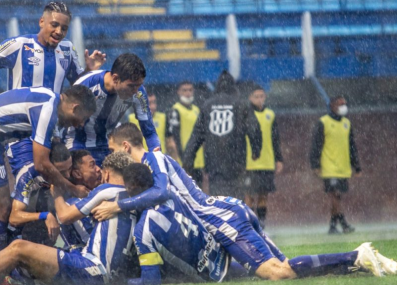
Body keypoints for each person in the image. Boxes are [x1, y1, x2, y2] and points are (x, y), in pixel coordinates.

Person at [92, 123, 391, 280]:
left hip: (220, 219)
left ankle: (355, 256)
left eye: (114, 149)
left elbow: (161, 193)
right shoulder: (154, 157)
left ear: (126, 146)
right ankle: (359, 263)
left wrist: (116, 205)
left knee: (276, 273)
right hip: (227, 210)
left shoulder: (152, 159)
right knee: (285, 268)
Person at [0, 152, 139, 285]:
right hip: (93, 268)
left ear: (109, 174)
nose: (99, 172)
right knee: (23, 263)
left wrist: (56, 189)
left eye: (100, 167)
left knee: (19, 249)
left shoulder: (109, 191)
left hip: (92, 270)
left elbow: (64, 214)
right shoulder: (131, 199)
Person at [0, 85, 96, 261]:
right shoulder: (48, 108)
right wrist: (73, 189)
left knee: (1, 208)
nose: (80, 124)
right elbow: (42, 164)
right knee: (1, 208)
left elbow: (56, 154)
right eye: (83, 118)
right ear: (76, 107)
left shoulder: (50, 104)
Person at [123, 163, 241, 285]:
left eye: (125, 189)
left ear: (131, 187)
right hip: (222, 257)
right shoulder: (171, 190)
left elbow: (151, 281)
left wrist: (122, 282)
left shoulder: (143, 230)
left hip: (208, 278)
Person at [0, 2, 106, 93]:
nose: (59, 31)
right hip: (18, 126)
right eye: (54, 25)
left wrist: (89, 70)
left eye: (64, 28)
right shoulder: (19, 44)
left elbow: (78, 87)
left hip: (50, 128)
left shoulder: (67, 49)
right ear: (41, 22)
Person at [63, 53, 160, 166]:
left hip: (108, 147)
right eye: (131, 86)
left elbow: (149, 132)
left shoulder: (139, 93)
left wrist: (157, 158)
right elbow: (62, 120)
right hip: (77, 144)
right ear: (115, 78)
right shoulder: (86, 85)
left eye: (139, 85)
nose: (135, 90)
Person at [183, 71, 262, 198]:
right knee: (236, 198)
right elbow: (254, 129)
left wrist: (188, 159)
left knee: (217, 198)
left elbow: (196, 136)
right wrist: (256, 150)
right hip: (236, 160)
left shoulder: (207, 105)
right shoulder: (241, 105)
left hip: (214, 161)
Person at [310, 96, 362, 234]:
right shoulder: (323, 122)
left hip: (343, 167)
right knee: (335, 195)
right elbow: (316, 145)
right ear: (332, 105)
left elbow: (352, 146)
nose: (343, 106)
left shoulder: (347, 123)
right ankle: (344, 223)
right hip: (329, 167)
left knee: (337, 196)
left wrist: (356, 165)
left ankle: (332, 226)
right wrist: (315, 164)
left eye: (345, 103)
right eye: (340, 104)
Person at [7, 140, 72, 245]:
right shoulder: (28, 175)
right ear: (48, 167)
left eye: (70, 168)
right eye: (61, 172)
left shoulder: (66, 163)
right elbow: (14, 218)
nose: (68, 176)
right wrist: (45, 216)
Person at [243, 84, 283, 228]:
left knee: (263, 194)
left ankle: (261, 224)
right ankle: (248, 223)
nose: (260, 99)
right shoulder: (245, 114)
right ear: (250, 98)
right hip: (249, 162)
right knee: (248, 194)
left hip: (266, 161)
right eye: (256, 96)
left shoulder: (270, 114)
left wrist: (279, 159)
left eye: (262, 96)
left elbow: (275, 138)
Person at [59, 150, 100, 251]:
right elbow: (94, 241)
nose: (98, 169)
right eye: (92, 166)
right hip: (84, 258)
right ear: (77, 174)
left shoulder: (95, 193)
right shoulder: (72, 204)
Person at [167, 81, 205, 185]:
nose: (188, 93)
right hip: (183, 160)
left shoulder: (197, 110)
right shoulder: (175, 110)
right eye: (184, 90)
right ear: (178, 92)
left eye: (190, 90)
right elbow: (172, 138)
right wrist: (178, 159)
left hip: (198, 161)